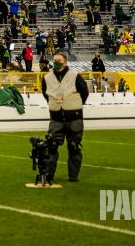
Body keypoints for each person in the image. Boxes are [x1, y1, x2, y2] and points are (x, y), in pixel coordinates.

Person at [41, 52, 90, 184]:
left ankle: (73, 176)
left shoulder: (75, 76)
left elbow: (84, 93)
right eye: (55, 59)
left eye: (59, 60)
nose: (56, 62)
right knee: (51, 147)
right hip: (56, 118)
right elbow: (45, 94)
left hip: (74, 117)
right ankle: (49, 175)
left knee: (74, 147)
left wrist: (75, 105)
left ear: (65, 62)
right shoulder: (46, 78)